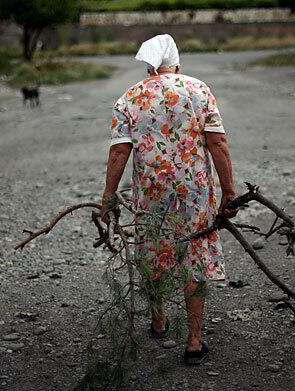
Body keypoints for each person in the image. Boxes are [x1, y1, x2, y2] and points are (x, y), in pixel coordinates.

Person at [101, 34, 237, 365]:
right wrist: (229, 192)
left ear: (150, 66)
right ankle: (194, 341)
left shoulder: (129, 98)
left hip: (151, 192)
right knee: (194, 254)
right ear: (175, 61)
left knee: (153, 248)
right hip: (194, 192)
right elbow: (217, 144)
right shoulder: (199, 90)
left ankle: (159, 320)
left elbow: (120, 151)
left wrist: (108, 195)